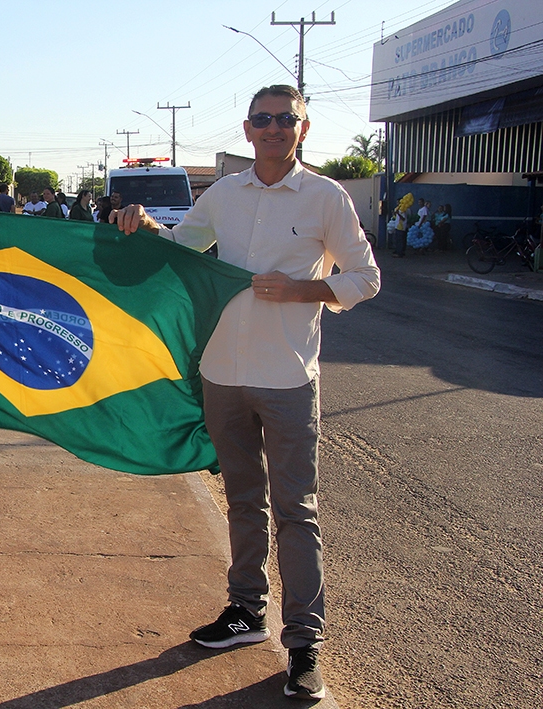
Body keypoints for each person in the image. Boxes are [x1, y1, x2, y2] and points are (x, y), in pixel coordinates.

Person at [112, 84, 380, 701]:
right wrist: (144, 224)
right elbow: (181, 249)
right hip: (222, 374)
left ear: (303, 129)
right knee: (241, 500)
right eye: (263, 119)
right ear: (248, 128)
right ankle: (246, 612)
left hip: (287, 378)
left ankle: (304, 644)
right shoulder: (224, 194)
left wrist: (303, 290)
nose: (273, 128)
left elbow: (366, 278)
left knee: (296, 511)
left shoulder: (326, 198)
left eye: (286, 119)